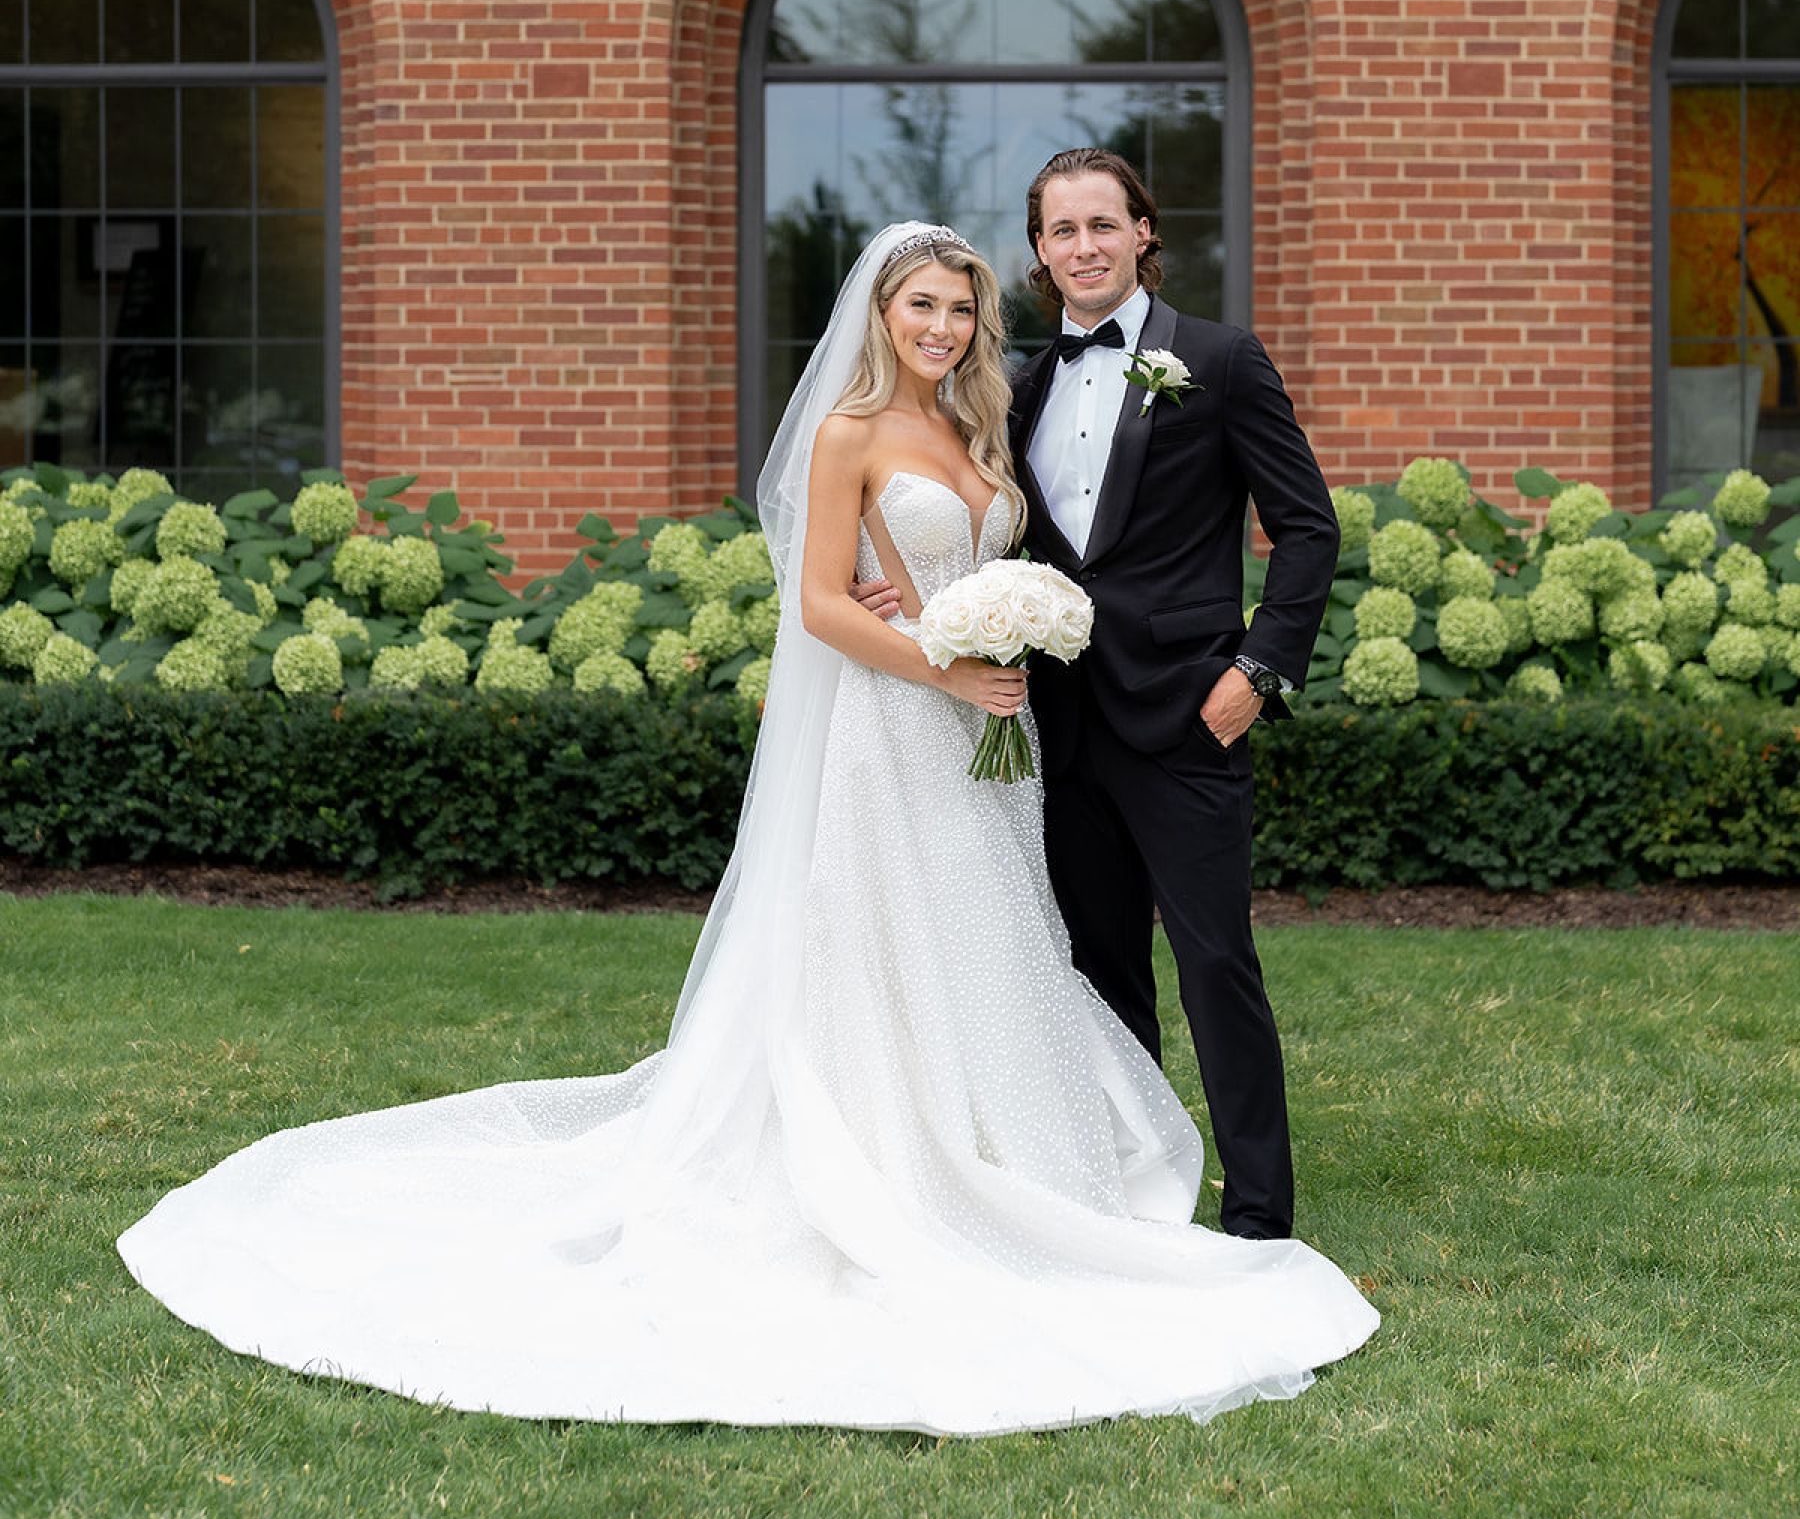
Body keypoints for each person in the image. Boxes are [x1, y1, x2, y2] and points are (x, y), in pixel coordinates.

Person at [118, 222, 1375, 1433]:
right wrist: (938, 658)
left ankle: (1045, 1166)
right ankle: (895, 1166)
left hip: (1003, 739)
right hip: (904, 724)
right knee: (892, 937)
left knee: (1000, 943)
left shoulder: (985, 415)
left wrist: (1033, 634)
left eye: (960, 307)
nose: (942, 326)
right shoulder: (846, 431)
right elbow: (822, 604)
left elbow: (1064, 547)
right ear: (880, 316)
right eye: (920, 305)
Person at [1018, 148, 1338, 1241]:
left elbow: (1307, 530)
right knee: (1101, 975)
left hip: (1191, 714)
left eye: (1102, 225)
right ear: (1041, 252)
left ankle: (1258, 1217)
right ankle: (1130, 1198)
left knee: (1215, 967)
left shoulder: (1220, 359)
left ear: (1144, 233)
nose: (1083, 249)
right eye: (1061, 232)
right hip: (1060, 723)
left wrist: (1255, 675)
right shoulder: (1017, 384)